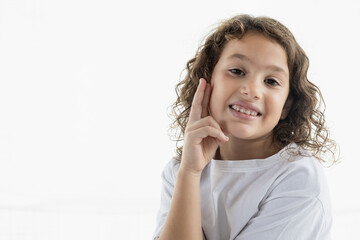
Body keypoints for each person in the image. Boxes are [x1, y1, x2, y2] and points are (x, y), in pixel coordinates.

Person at [153, 14, 338, 240]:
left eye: (271, 81)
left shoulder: (298, 177)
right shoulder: (180, 170)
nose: (252, 90)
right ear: (208, 80)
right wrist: (190, 173)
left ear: (286, 106)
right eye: (237, 71)